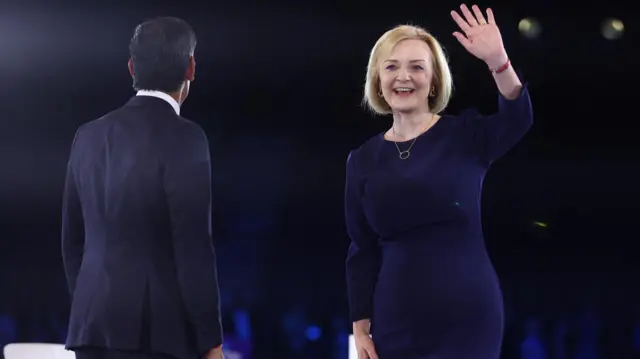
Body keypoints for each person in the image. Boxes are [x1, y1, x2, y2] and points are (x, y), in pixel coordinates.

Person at [345, 5, 533, 359]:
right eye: (392, 67)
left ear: (433, 80)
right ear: (378, 80)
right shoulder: (362, 160)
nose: (404, 76)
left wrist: (498, 61)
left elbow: (518, 117)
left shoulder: (466, 136)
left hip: (467, 317)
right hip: (395, 320)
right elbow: (361, 249)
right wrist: (359, 327)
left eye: (417, 67)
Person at [61, 17, 224, 359]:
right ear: (190, 67)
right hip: (157, 333)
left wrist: (90, 304)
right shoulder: (186, 137)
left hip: (91, 327)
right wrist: (211, 340)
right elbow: (192, 246)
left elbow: (72, 240)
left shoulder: (87, 136)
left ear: (132, 67)